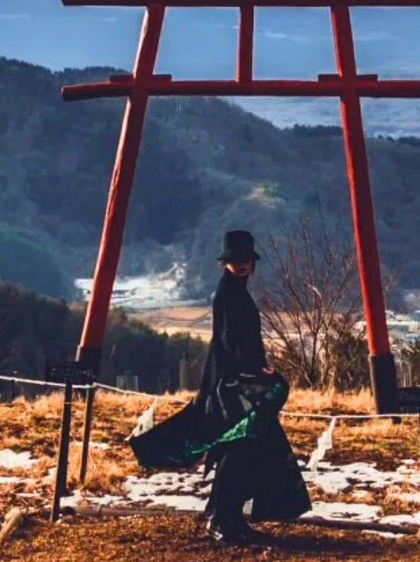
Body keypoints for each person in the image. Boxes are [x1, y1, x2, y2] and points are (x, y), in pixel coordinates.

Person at [129, 229, 310, 544]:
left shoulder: (234, 289)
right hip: (231, 382)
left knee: (242, 445)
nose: (241, 265)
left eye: (245, 261)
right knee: (239, 445)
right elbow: (230, 340)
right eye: (235, 260)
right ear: (226, 263)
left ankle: (229, 516)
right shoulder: (229, 293)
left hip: (235, 378)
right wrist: (255, 369)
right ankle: (221, 518)